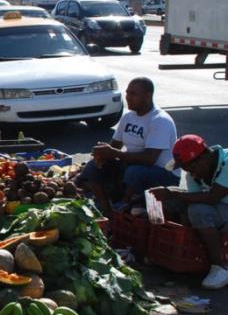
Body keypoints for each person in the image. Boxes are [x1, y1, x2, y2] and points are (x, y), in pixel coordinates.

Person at [149, 135, 228, 289]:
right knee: (173, 201)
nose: (190, 173)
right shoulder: (194, 173)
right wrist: (169, 196)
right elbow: (191, 199)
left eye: (190, 168)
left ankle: (220, 268)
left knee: (198, 211)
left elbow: (213, 197)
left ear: (203, 158)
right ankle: (182, 254)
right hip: (219, 209)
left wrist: (172, 193)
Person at [76, 77, 179, 217]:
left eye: (133, 94)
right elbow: (115, 146)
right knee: (93, 167)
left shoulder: (160, 120)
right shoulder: (128, 117)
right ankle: (106, 209)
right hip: (134, 165)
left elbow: (150, 159)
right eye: (127, 93)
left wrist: (114, 153)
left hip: (163, 173)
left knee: (134, 172)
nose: (128, 98)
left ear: (148, 96)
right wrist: (102, 153)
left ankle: (123, 205)